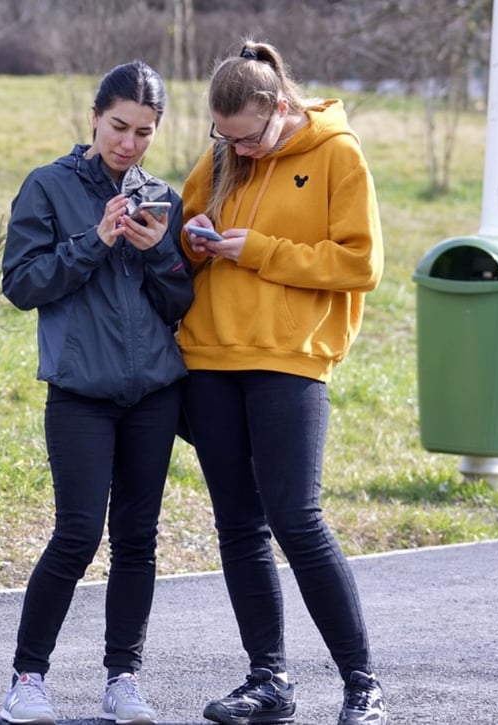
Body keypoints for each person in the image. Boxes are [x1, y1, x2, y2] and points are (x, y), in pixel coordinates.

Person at [177, 40, 388, 725]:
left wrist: (261, 251)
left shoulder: (337, 153)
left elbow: (361, 264)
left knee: (297, 519)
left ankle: (362, 684)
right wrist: (192, 237)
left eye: (247, 137)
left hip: (290, 358)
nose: (237, 149)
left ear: (277, 106)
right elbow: (182, 237)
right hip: (209, 359)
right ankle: (268, 680)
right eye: (224, 137)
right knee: (239, 525)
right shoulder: (222, 157)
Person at [0, 60, 192, 725]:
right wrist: (94, 240)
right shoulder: (47, 186)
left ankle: (123, 679)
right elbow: (22, 284)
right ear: (94, 119)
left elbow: (179, 302)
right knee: (77, 534)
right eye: (118, 127)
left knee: (137, 538)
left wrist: (160, 251)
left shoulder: (161, 196)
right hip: (80, 390)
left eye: (144, 131)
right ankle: (27, 678)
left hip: (154, 393)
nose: (129, 143)